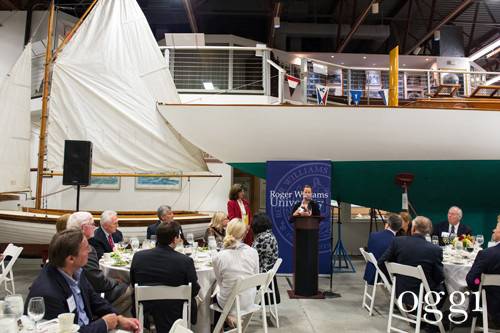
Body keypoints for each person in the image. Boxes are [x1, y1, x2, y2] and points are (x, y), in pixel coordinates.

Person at [26, 229, 140, 333]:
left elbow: (94, 298)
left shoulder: (76, 271)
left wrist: (118, 318)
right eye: (86, 248)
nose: (90, 251)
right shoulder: (49, 294)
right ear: (71, 259)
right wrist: (104, 324)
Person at [130, 222, 200, 333]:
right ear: (175, 239)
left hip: (146, 309)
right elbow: (194, 290)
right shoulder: (185, 261)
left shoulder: (139, 256)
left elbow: (133, 282)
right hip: (175, 311)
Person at [67, 212, 132, 315]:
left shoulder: (66, 243)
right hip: (87, 294)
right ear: (84, 228)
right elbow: (98, 282)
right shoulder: (85, 248)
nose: (95, 227)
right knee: (130, 288)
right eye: (92, 224)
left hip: (80, 291)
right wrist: (115, 281)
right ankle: (110, 317)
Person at [378, 216, 445, 309]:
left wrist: (392, 279)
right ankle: (430, 317)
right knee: (444, 288)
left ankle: (414, 311)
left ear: (413, 229)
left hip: (399, 289)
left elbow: (381, 262)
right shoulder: (435, 250)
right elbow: (439, 277)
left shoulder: (397, 241)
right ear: (428, 232)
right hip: (423, 292)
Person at [213, 219, 259, 322]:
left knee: (212, 291)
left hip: (228, 302)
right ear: (244, 234)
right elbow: (256, 275)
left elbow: (219, 281)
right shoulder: (253, 252)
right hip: (248, 300)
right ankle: (229, 318)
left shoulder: (218, 256)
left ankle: (220, 325)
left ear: (227, 231)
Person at [466, 221, 500, 328]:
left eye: (496, 227)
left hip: (492, 304)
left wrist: (479, 282)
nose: (493, 230)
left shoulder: (486, 254)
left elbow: (472, 280)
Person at [363, 214, 402, 285]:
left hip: (370, 273)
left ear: (388, 224)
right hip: (384, 276)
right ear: (399, 228)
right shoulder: (396, 242)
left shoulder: (373, 235)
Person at [252, 213, 280, 304]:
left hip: (262, 274)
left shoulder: (263, 238)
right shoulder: (268, 234)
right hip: (267, 271)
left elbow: (252, 255)